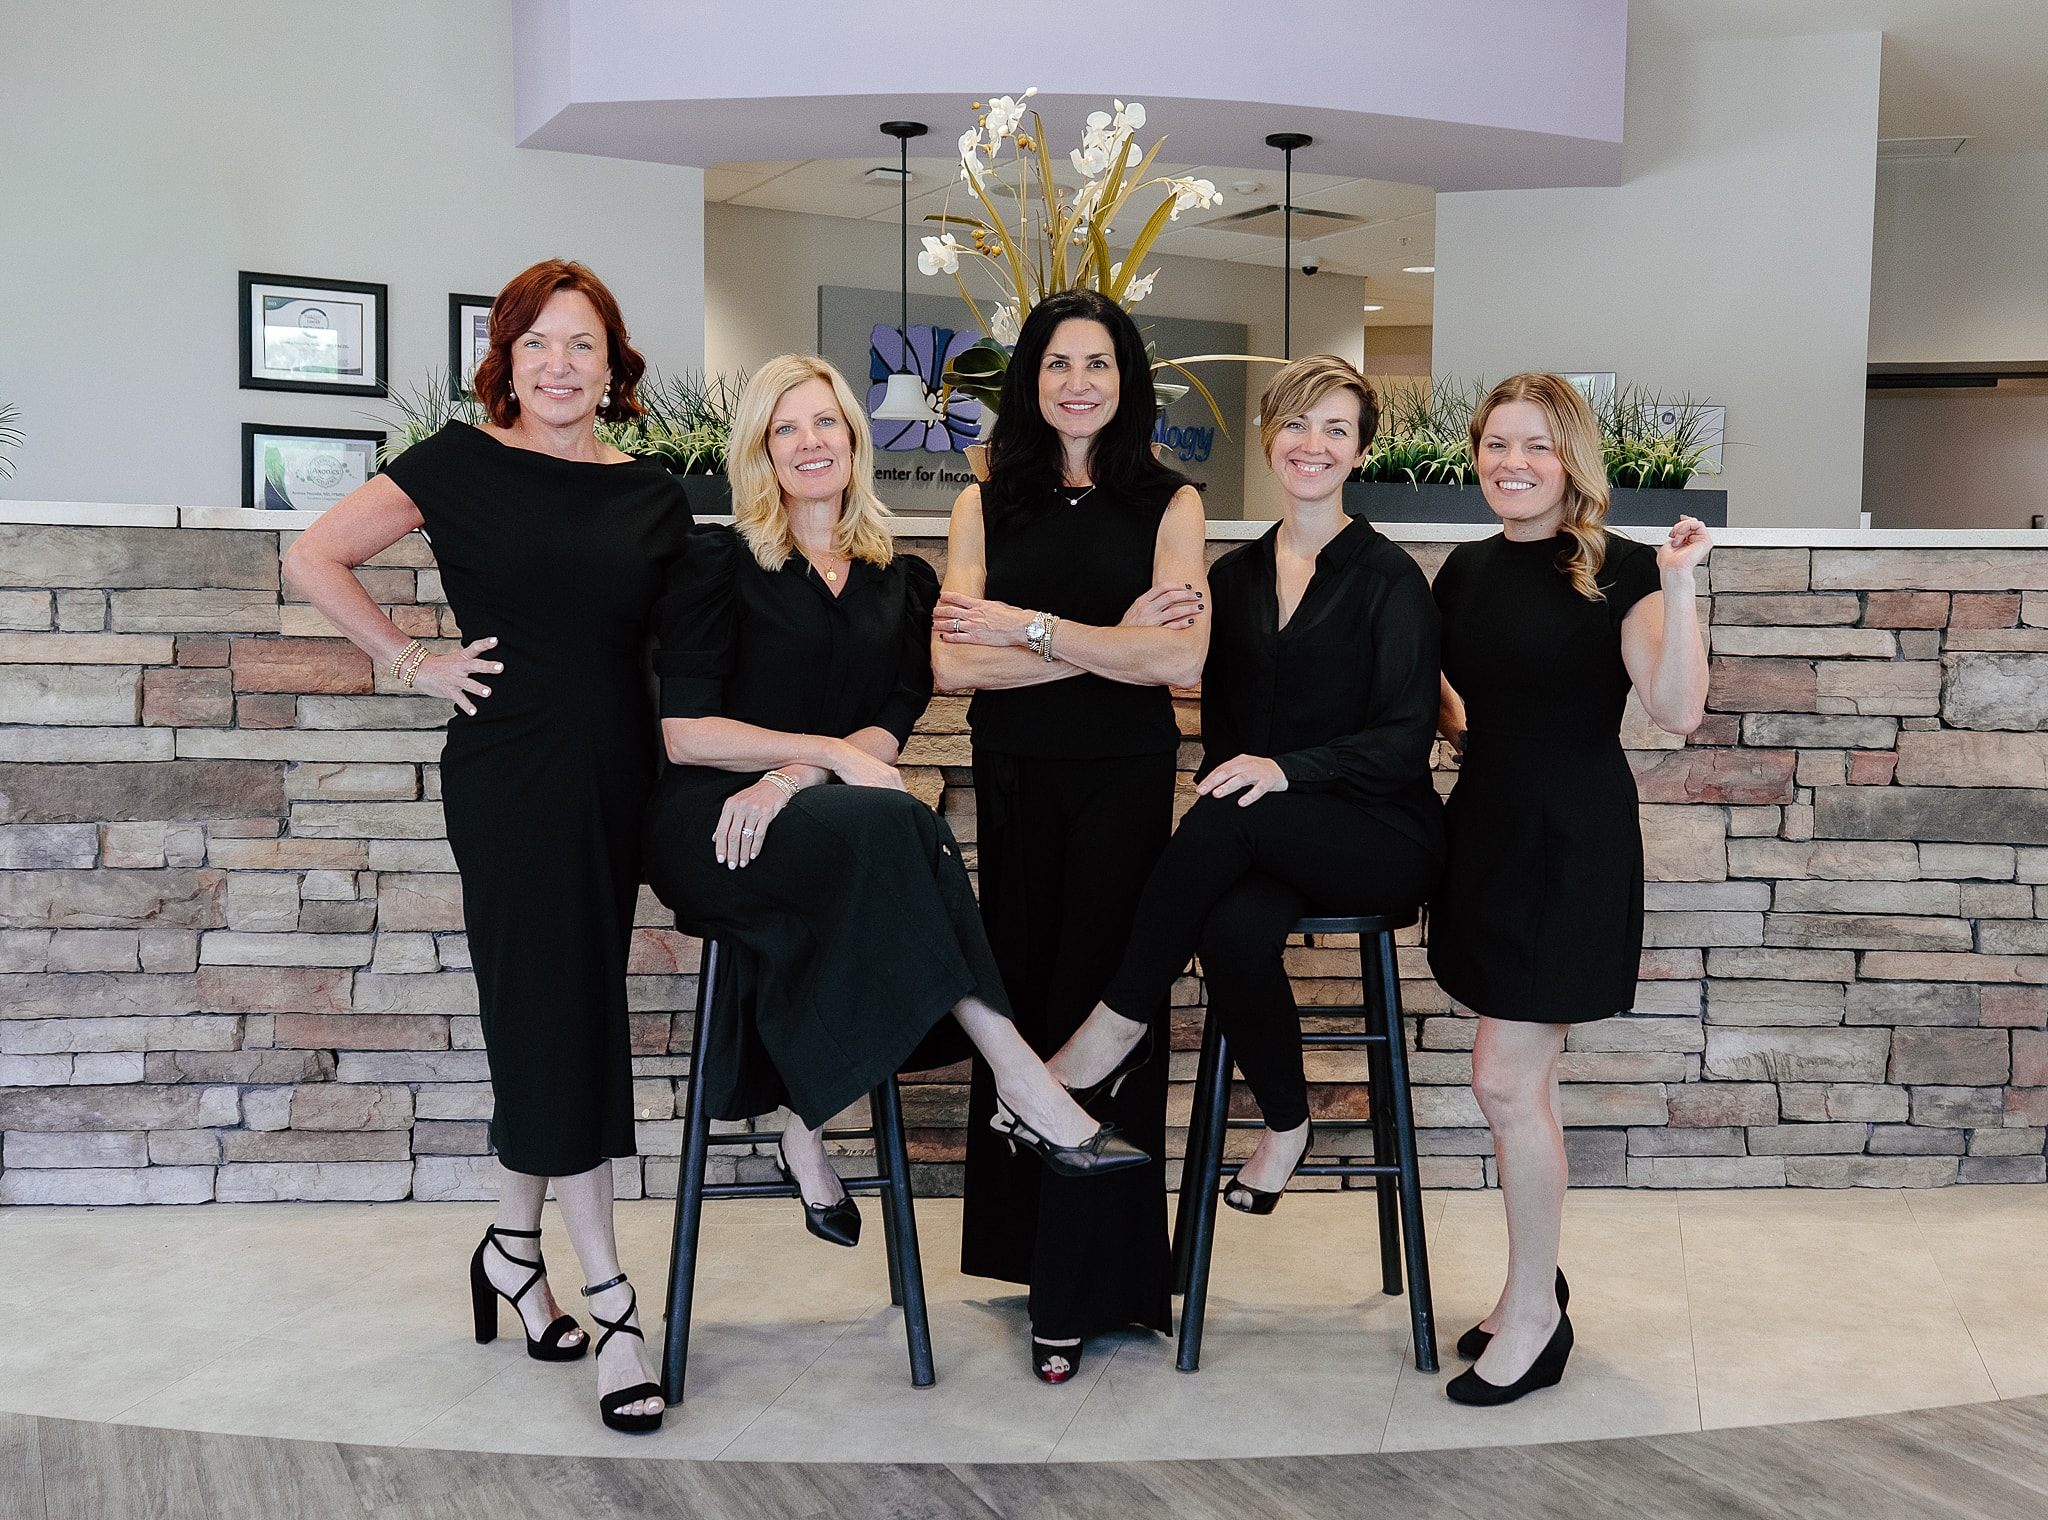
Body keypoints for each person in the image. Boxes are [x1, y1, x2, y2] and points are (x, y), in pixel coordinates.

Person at [283, 260, 693, 1433]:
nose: (559, 365)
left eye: (582, 345)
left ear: (614, 366)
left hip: (621, 779)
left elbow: (687, 651)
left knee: (552, 1012)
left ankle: (513, 1248)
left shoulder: (656, 493)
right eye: (537, 345)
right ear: (504, 360)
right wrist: (411, 657)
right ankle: (612, 1300)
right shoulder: (455, 464)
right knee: (560, 1015)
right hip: (513, 774)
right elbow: (313, 557)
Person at [641, 355, 1144, 1263]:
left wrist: (801, 777)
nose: (809, 443)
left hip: (823, 813)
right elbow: (685, 733)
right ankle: (1024, 1083)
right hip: (716, 819)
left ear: (853, 438)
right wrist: (821, 756)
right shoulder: (719, 559)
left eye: (825, 423)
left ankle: (808, 1117)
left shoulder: (898, 581)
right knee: (905, 825)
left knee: (894, 824)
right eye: (785, 427)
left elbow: (889, 733)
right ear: (760, 446)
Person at [1058, 355, 1443, 1220]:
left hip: (1381, 834)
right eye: (1298, 424)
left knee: (1226, 814)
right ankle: (1287, 1124)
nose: (1314, 444)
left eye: (1336, 429)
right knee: (1230, 931)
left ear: (1360, 451)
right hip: (1270, 834)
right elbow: (1224, 729)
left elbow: (1401, 741)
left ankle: (1112, 1029)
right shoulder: (1228, 582)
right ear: (1271, 437)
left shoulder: (1390, 580)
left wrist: (1284, 771)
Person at [933, 287, 1210, 1383]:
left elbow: (1177, 667)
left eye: (1096, 362)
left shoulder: (1171, 503)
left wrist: (1029, 627)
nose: (1077, 381)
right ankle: (1037, 1262)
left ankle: (1094, 1285)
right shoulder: (982, 499)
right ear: (1030, 379)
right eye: (1056, 363)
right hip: (1012, 779)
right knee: (1027, 1002)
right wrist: (1105, 641)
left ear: (1125, 376)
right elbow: (955, 666)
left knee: (1109, 1011)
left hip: (1125, 782)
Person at [1428, 373, 1711, 1407]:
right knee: (1520, 1089)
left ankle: (1537, 1319)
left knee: (1503, 1082)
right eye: (1496, 443)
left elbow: (1677, 708)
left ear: (1570, 459)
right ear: (1475, 455)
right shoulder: (1458, 572)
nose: (1512, 462)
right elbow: (1463, 707)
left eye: (1535, 446)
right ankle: (1522, 1288)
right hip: (1488, 839)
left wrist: (1680, 588)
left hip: (1570, 847)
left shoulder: (1623, 568)